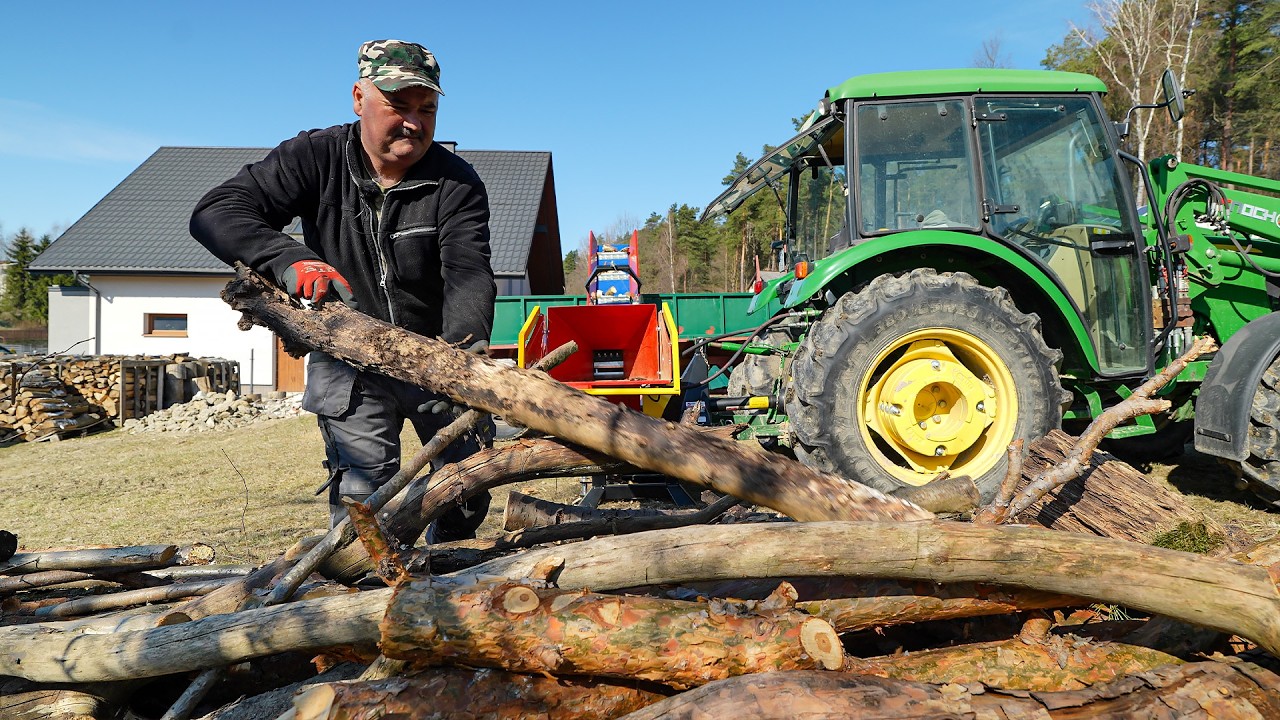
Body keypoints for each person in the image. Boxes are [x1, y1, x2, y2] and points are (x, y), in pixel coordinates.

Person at [190, 39, 495, 538]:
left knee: (464, 491)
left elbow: (467, 271)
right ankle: (365, 598)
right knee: (364, 502)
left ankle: (449, 584)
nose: (413, 122)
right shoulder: (314, 158)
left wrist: (463, 355)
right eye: (398, 105)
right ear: (359, 97)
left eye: (427, 109)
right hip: (347, 359)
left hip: (436, 356)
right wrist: (289, 259)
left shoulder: (456, 182)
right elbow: (215, 212)